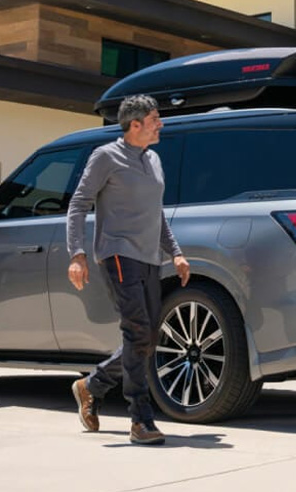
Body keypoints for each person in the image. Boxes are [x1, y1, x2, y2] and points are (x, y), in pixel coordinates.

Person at [67, 94, 191, 446]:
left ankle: (91, 386)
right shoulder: (105, 156)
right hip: (118, 254)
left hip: (150, 258)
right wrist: (77, 254)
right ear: (134, 125)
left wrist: (176, 253)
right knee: (138, 334)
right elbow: (78, 205)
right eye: (155, 119)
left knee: (146, 340)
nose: (160, 124)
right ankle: (140, 419)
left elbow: (156, 214)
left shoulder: (153, 160)